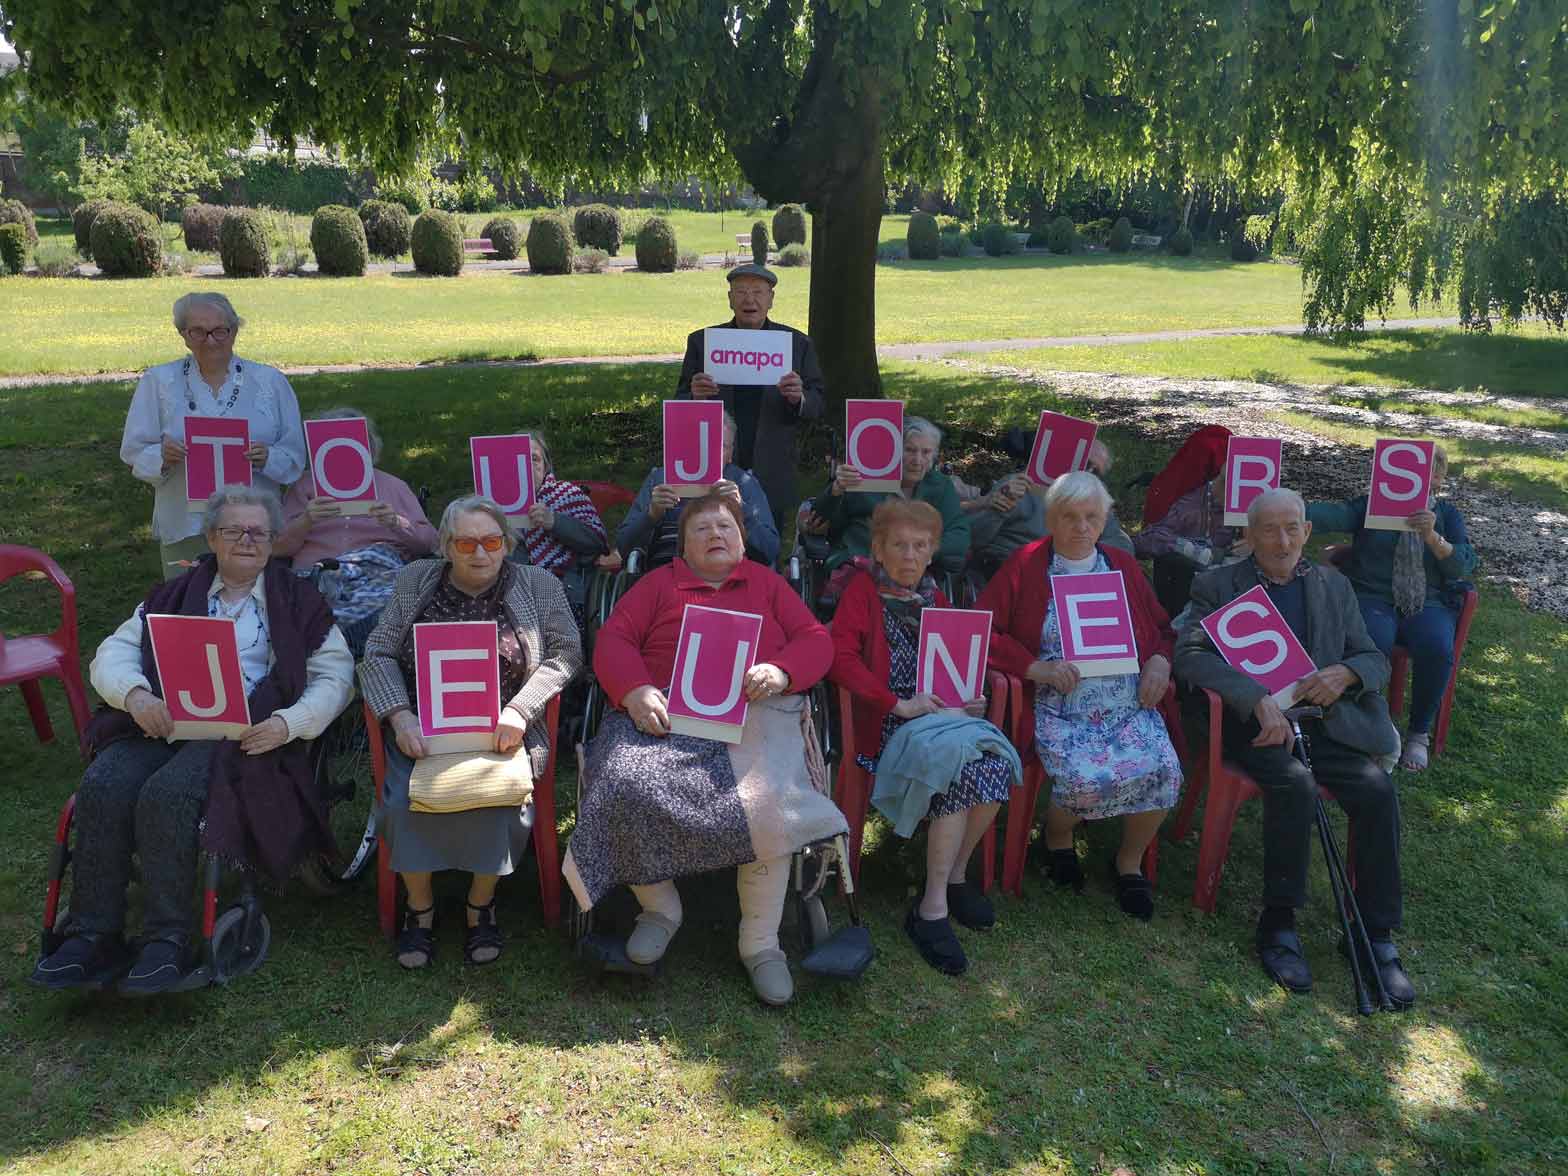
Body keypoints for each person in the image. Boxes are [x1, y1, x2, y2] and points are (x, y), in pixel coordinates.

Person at [30, 486, 354, 994]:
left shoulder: (298, 600)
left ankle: (168, 938)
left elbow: (334, 677)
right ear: (211, 537)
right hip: (163, 718)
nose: (247, 540)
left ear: (273, 540)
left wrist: (290, 724)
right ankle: (93, 932)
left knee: (168, 795)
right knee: (104, 784)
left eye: (259, 532)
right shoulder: (173, 594)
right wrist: (135, 696)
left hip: (242, 731)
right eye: (233, 530)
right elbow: (113, 654)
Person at [564, 490, 846, 1006]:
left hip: (751, 716)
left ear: (742, 542)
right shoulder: (657, 585)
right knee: (623, 781)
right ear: (683, 547)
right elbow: (614, 641)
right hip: (662, 712)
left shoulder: (767, 583)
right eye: (702, 529)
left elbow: (815, 640)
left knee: (767, 798)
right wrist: (635, 689)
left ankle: (760, 942)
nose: (716, 535)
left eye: (726, 529)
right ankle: (661, 908)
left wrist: (782, 670)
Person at [1175, 488, 1413, 1007]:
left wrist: (1347, 673)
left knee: (1375, 791)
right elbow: (1189, 653)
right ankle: (1278, 923)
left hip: (1323, 724)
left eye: (1292, 529)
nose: (1282, 541)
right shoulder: (1218, 584)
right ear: (1249, 534)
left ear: (1307, 532)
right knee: (1295, 784)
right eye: (1268, 530)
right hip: (1256, 728)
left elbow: (1372, 656)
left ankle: (1374, 934)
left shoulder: (1332, 583)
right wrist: (1254, 696)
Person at [359, 495, 583, 969]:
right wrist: (399, 716)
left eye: (491, 541)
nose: (480, 553)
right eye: (466, 542)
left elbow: (566, 653)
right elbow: (376, 653)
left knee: (499, 797)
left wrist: (521, 710)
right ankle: (420, 909)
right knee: (403, 801)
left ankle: (480, 904)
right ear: (446, 546)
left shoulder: (538, 585)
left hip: (503, 732)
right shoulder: (415, 580)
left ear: (507, 543)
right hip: (423, 729)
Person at [975, 471, 1184, 920]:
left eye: (1092, 517)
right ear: (1051, 519)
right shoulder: (1028, 564)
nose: (1082, 527)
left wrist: (1159, 662)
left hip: (1126, 700)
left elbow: (1163, 629)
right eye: (1070, 517)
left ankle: (1128, 860)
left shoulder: (1122, 567)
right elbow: (981, 629)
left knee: (1166, 768)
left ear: (1106, 519)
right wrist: (1035, 667)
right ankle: (1057, 836)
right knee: (1082, 775)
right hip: (1059, 703)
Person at [828, 499, 1018, 975]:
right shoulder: (862, 593)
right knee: (956, 770)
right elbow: (839, 657)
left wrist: (967, 696)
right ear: (878, 548)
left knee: (994, 762)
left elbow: (955, 660)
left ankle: (955, 876)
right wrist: (897, 703)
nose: (909, 555)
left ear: (932, 552)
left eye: (919, 546)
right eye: (898, 545)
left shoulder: (935, 596)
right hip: (889, 724)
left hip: (943, 720)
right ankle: (930, 908)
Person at [1306, 445, 1476, 771]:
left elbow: (1463, 566)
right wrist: (1285, 507)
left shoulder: (1448, 516)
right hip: (1373, 595)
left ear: (1438, 480)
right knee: (1371, 641)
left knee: (1437, 645)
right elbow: (1333, 515)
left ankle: (1418, 734)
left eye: (1431, 472)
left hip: (1426, 600)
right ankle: (1371, 722)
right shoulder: (1373, 506)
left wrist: (1432, 536)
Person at [119, 292, 307, 579]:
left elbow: (295, 456)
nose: (210, 340)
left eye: (220, 330)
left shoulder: (271, 381)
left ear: (234, 331)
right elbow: (133, 450)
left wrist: (267, 457)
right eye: (198, 331)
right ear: (183, 335)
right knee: (189, 606)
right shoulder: (158, 381)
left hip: (253, 525)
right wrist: (163, 457)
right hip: (186, 522)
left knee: (257, 606)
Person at [274, 407, 439, 655]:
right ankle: (351, 638)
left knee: (397, 594)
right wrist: (306, 520)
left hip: (378, 573)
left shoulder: (393, 486)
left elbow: (430, 544)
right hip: (317, 575)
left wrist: (396, 522)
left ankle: (332, 638)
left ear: (370, 448)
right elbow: (278, 547)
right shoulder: (304, 486)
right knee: (302, 598)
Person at [676, 264, 824, 526]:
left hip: (771, 465)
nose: (749, 299)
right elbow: (678, 407)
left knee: (766, 543)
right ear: (730, 299)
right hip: (715, 464)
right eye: (741, 291)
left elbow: (817, 405)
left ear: (771, 299)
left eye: (758, 291)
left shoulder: (797, 344)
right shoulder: (703, 342)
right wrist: (694, 397)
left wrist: (798, 398)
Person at [616, 409, 779, 568]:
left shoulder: (743, 483)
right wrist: (651, 515)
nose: (710, 451)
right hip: (667, 571)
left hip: (729, 575)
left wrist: (742, 511)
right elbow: (624, 546)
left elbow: (769, 551)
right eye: (702, 442)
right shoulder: (660, 479)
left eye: (721, 446)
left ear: (730, 454)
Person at [816, 417, 971, 574]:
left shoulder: (940, 486)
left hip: (913, 573)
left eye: (926, 452)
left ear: (934, 456)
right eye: (910, 450)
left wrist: (918, 550)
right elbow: (820, 520)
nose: (917, 460)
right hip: (860, 566)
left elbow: (959, 536)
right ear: (893, 450)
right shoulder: (865, 477)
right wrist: (836, 488)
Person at [967, 439, 1134, 575]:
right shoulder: (1018, 486)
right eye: (1085, 463)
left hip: (1072, 577)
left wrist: (1087, 555)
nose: (1087, 473)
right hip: (1014, 571)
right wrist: (998, 511)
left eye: (1095, 471)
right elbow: (972, 539)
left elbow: (1122, 545)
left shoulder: (1094, 499)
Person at [1134, 425, 1247, 619]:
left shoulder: (1254, 501)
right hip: (1186, 589)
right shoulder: (1188, 505)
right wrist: (1199, 552)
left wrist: (1256, 541)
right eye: (1225, 485)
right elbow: (1143, 543)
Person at [507, 430, 609, 629]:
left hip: (564, 590)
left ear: (546, 466)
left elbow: (598, 541)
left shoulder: (568, 494)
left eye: (534, 459)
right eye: (518, 460)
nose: (526, 466)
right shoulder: (490, 506)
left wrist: (555, 522)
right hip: (510, 593)